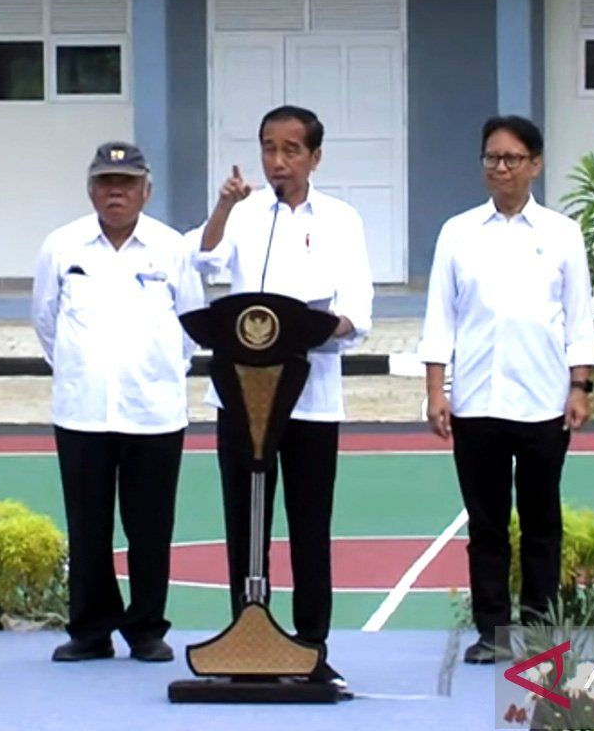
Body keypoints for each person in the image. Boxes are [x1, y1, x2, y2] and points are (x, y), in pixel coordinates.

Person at [194, 105, 373, 688]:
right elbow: (204, 260)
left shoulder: (342, 219)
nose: (278, 161)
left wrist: (319, 329)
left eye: (291, 150)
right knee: (245, 522)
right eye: (269, 148)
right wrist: (224, 204)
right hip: (242, 399)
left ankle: (311, 643)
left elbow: (358, 310)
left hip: (312, 397)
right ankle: (248, 638)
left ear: (315, 157)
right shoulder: (244, 214)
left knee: (309, 523)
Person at [418, 116, 594, 663]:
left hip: (544, 402)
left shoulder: (562, 234)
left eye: (512, 158)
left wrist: (581, 385)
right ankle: (491, 630)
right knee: (487, 525)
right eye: (492, 158)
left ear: (535, 165)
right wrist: (436, 391)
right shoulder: (457, 232)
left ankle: (543, 631)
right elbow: (439, 319)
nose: (501, 168)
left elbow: (578, 318)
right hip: (477, 402)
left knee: (542, 523)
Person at [31, 142, 203, 663]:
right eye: (106, 182)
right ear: (90, 190)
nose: (116, 192)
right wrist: (83, 367)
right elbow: (45, 320)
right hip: (83, 409)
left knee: (150, 526)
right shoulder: (62, 247)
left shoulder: (171, 248)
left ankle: (147, 628)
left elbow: (193, 324)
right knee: (88, 526)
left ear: (146, 190)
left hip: (153, 409)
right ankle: (90, 630)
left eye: (126, 183)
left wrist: (154, 369)